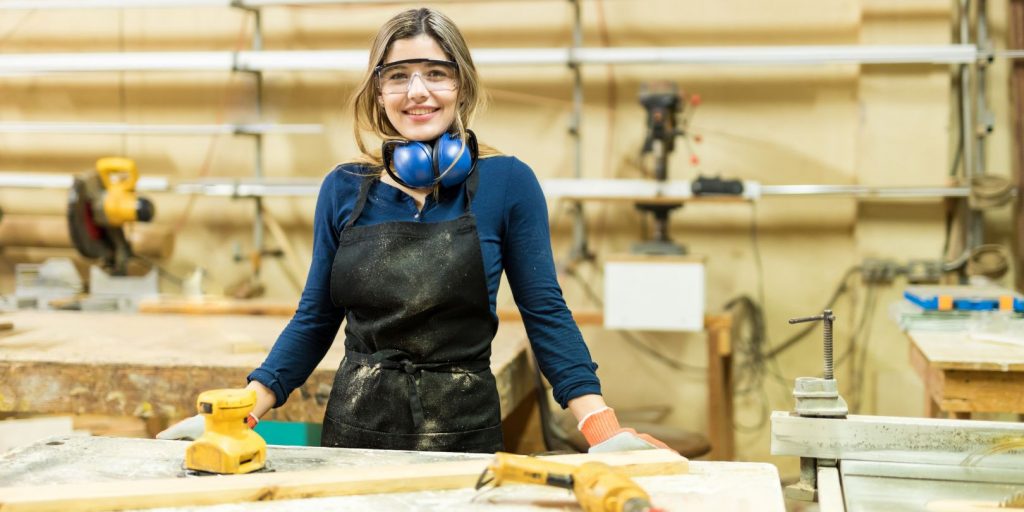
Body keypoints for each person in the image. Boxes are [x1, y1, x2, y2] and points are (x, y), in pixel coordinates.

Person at [158, 7, 669, 454]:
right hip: (355, 431)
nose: (417, 91)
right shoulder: (343, 188)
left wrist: (599, 426)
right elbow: (315, 319)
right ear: (379, 91)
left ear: (461, 85)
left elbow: (546, 313)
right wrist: (244, 408)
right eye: (398, 75)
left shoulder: (507, 183)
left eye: (436, 74)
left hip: (462, 434)